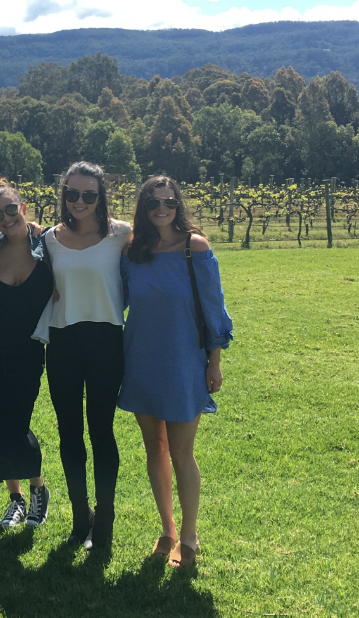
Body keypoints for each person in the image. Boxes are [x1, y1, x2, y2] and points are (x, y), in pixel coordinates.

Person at [120, 176, 233, 569]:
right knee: (156, 449)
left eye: (168, 202)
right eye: (153, 203)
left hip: (185, 362)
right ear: (144, 208)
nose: (161, 209)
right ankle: (167, 528)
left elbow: (214, 308)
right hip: (140, 359)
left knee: (183, 452)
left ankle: (189, 534)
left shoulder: (194, 248)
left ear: (178, 204)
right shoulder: (133, 251)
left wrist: (214, 362)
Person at [41, 161, 130, 550]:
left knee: (101, 431)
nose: (80, 201)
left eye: (89, 194)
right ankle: (81, 517)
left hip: (106, 341)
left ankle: (105, 519)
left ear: (101, 197)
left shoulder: (120, 234)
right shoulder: (48, 238)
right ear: (64, 196)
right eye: (73, 194)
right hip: (62, 343)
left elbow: (166, 235)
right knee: (68, 434)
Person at [0, 180, 52, 529]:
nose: (4, 218)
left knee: (16, 422)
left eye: (10, 209)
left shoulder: (48, 245)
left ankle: (38, 489)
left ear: (22, 207)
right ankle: (17, 499)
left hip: (30, 350)